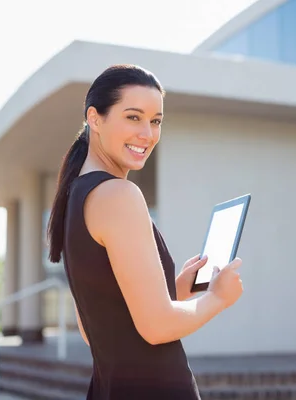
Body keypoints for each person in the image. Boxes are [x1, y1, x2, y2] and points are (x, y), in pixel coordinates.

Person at [46, 64, 244, 400]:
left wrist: (176, 291)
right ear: (95, 119)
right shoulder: (119, 195)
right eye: (133, 117)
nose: (148, 134)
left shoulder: (75, 198)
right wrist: (217, 299)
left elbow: (95, 328)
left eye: (156, 121)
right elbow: (156, 328)